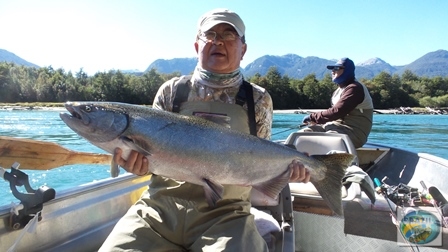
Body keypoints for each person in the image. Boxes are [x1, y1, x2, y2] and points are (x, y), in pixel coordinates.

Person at [99, 8, 310, 252]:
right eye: (210, 34)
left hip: (226, 215)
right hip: (159, 210)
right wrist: (136, 166)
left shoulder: (258, 100)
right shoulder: (171, 91)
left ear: (243, 49)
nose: (218, 40)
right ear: (197, 46)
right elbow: (149, 158)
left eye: (229, 35)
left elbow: (261, 160)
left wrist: (286, 172)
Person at [301, 57, 374, 148]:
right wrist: (316, 122)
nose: (332, 71)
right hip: (334, 127)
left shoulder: (355, 88)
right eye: (332, 69)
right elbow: (332, 114)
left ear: (347, 70)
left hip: (353, 133)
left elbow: (336, 112)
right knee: (301, 135)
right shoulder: (337, 91)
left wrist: (312, 117)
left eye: (336, 68)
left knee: (327, 140)